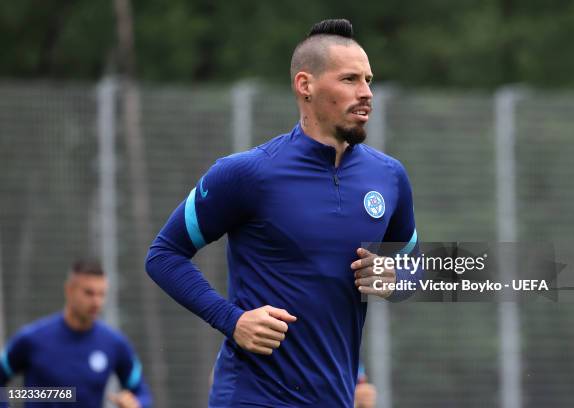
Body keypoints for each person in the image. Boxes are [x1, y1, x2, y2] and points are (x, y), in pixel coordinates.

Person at [146, 18, 419, 408]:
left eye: (369, 80)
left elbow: (415, 266)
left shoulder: (389, 177)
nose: (366, 93)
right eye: (349, 80)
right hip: (251, 396)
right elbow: (164, 255)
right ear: (305, 85)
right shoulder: (246, 173)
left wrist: (397, 277)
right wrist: (232, 320)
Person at [0, 259, 152, 408]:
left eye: (101, 294)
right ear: (69, 290)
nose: (96, 302)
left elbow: (142, 394)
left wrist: (136, 404)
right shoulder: (32, 339)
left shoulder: (114, 344)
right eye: (89, 293)